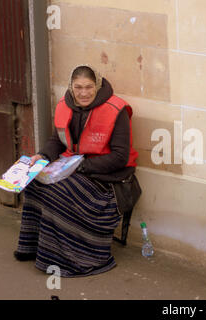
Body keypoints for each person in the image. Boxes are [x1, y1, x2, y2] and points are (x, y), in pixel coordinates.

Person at [13, 65, 140, 277]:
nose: (83, 93)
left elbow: (120, 156)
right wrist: (42, 157)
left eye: (89, 87)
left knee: (58, 192)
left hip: (106, 178)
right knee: (34, 182)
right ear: (71, 87)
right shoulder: (65, 105)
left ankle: (73, 257)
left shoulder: (116, 110)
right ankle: (37, 249)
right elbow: (57, 141)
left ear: (97, 86)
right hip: (75, 167)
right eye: (78, 87)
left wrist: (78, 167)